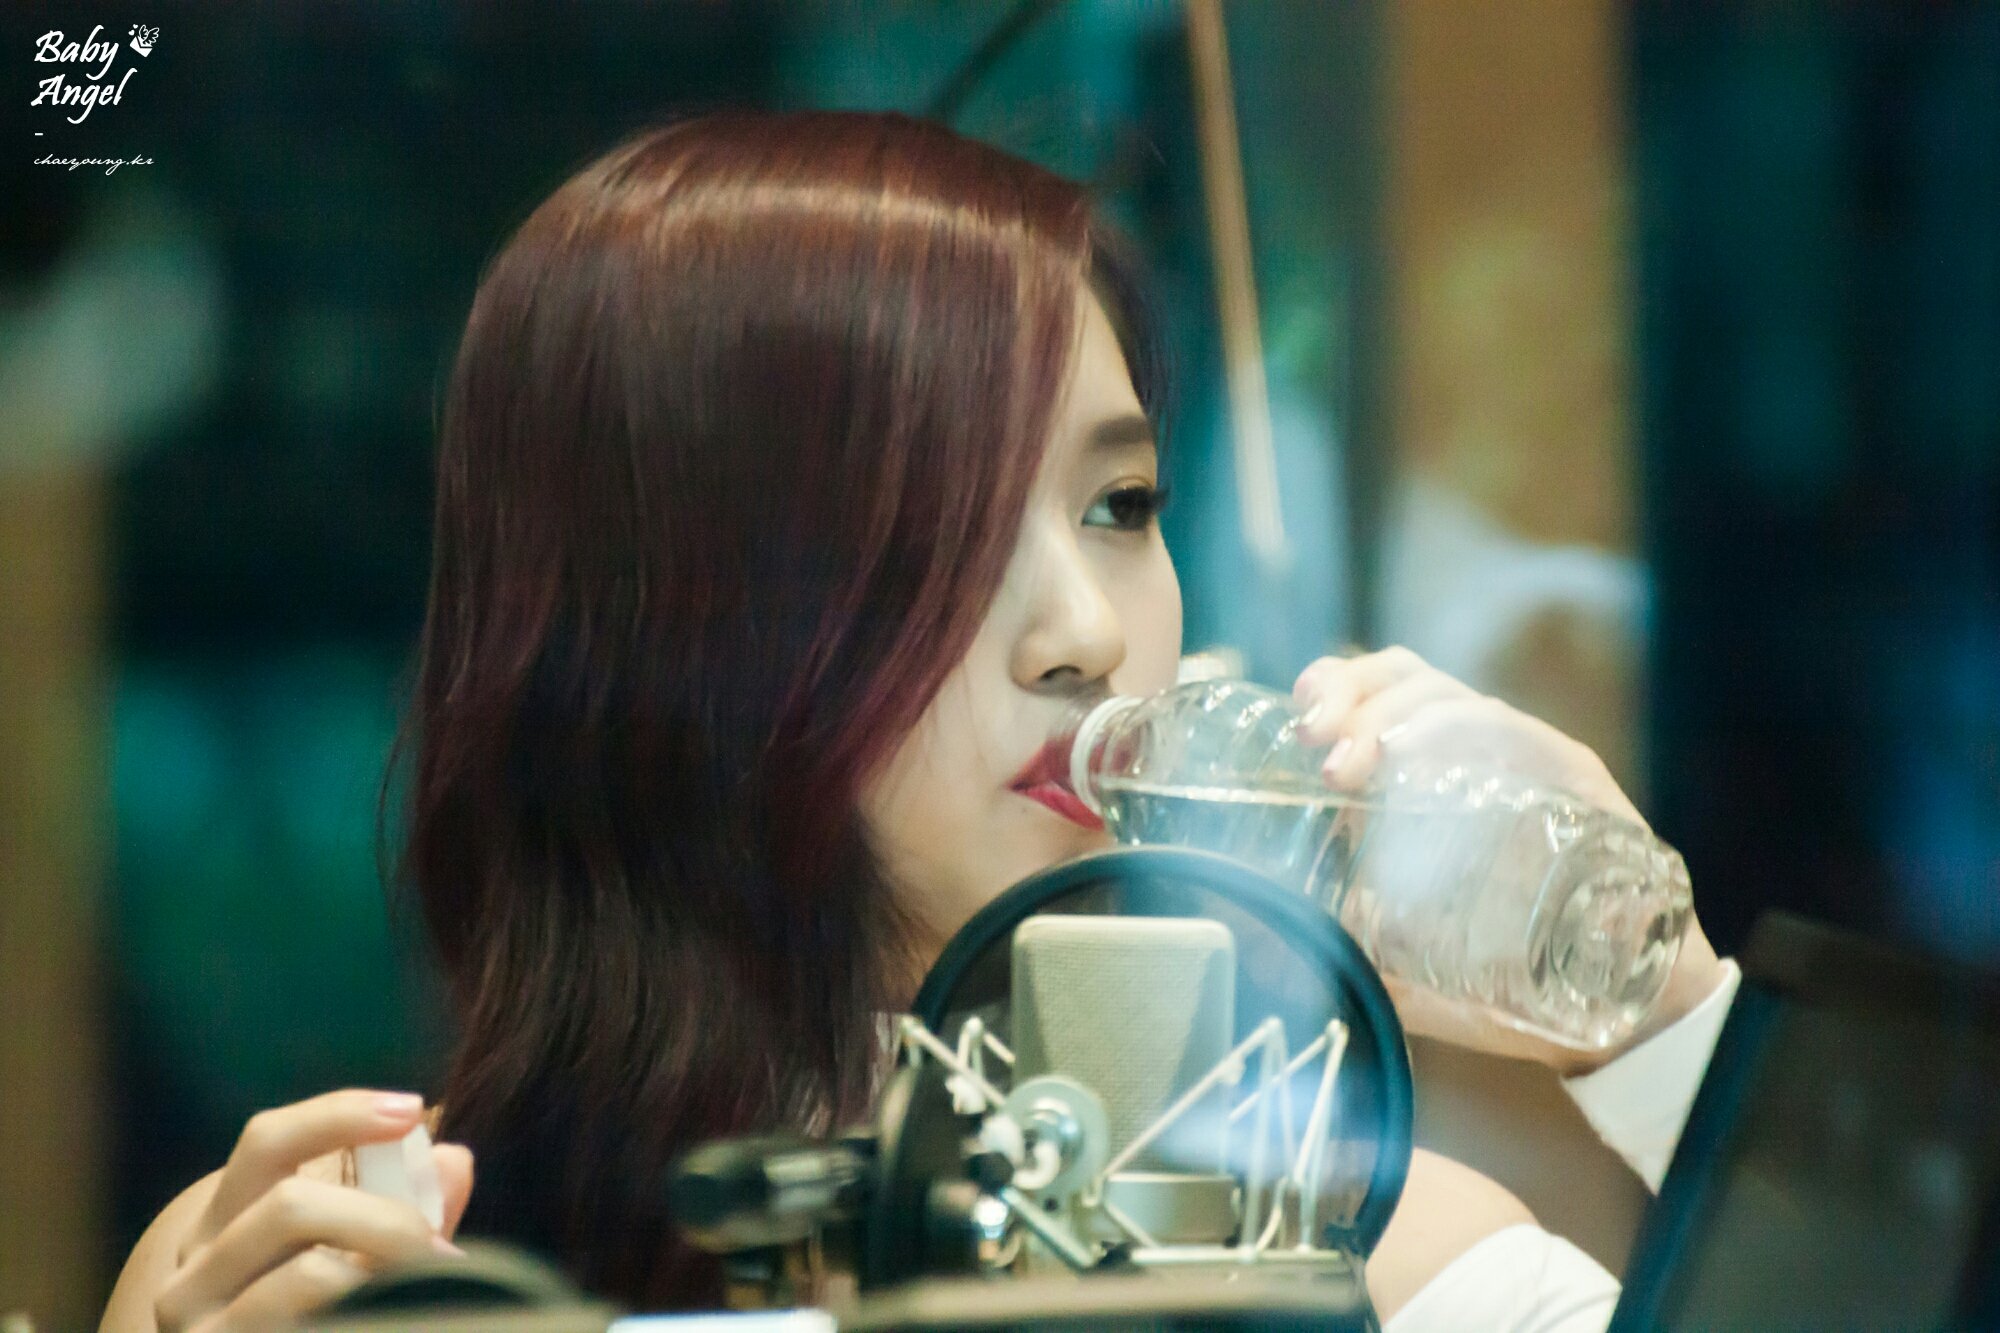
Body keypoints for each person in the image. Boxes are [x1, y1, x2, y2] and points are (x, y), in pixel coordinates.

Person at [100, 110, 1732, 1332]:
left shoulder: (1377, 1269)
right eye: (933, 539)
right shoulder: (348, 1272)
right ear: (660, 619)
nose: (1088, 636)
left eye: (1120, 505)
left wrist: (1673, 1026)